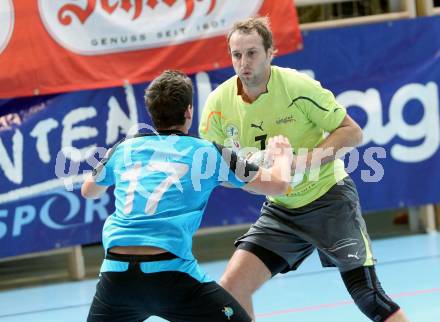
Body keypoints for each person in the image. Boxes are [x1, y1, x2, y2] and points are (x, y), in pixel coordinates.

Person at [199, 17, 409, 322]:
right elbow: (214, 167)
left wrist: (303, 162)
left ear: (271, 52)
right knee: (230, 289)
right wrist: (249, 171)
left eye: (252, 53)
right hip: (282, 211)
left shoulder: (297, 87)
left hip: (329, 201)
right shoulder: (219, 104)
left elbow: (352, 132)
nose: (243, 62)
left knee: (370, 299)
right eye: (236, 54)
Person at [82, 70, 294, 322]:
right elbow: (278, 184)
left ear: (151, 113)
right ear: (189, 111)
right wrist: (282, 155)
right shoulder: (208, 152)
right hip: (170, 275)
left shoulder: (124, 148)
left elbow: (89, 191)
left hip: (115, 277)